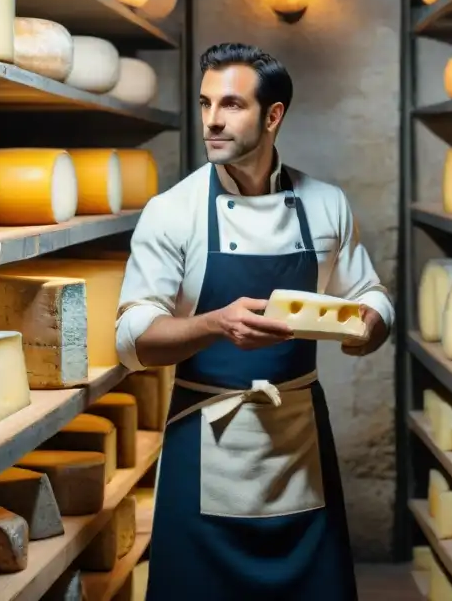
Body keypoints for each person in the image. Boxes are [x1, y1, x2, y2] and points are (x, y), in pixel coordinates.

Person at [115, 42, 394, 600]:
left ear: (273, 116)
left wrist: (369, 328)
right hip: (205, 439)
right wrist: (215, 324)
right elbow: (131, 339)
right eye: (205, 103)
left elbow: (371, 294)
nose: (212, 121)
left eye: (232, 105)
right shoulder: (173, 212)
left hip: (298, 445)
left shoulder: (324, 204)